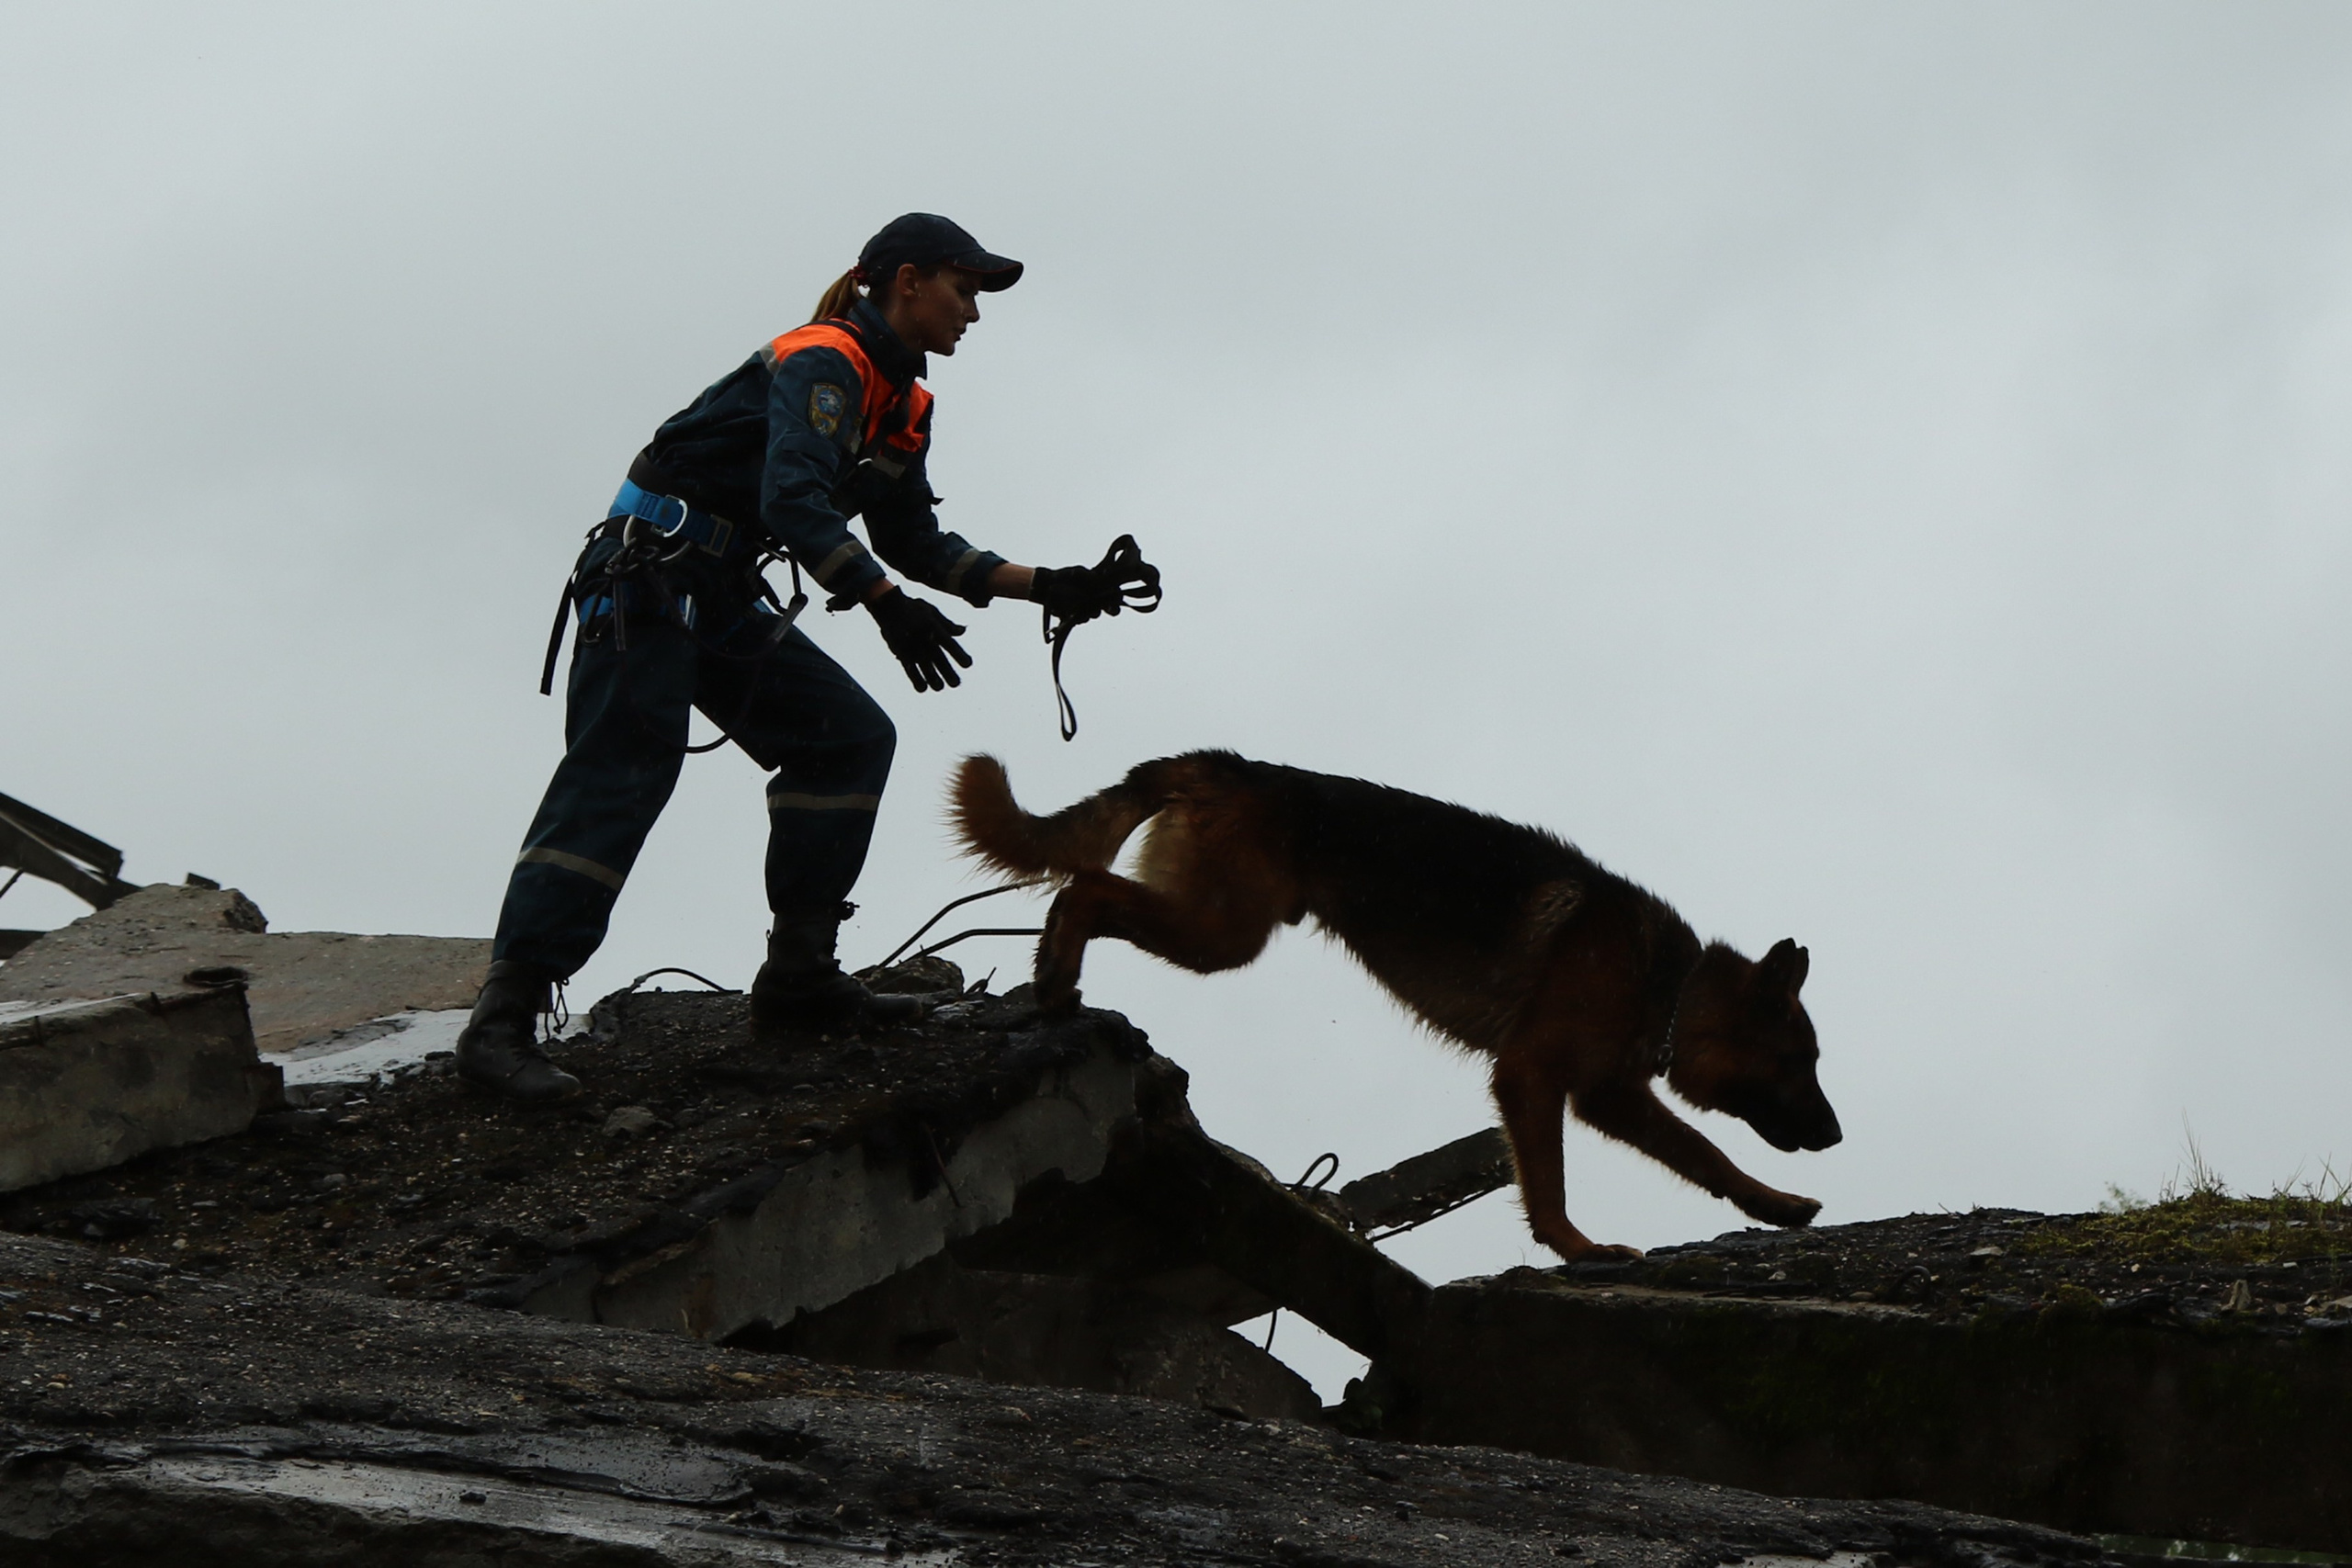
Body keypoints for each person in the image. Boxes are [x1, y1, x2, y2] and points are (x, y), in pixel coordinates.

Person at [455, 214, 1149, 1103]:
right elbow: (792, 500)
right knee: (623, 770)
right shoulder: (824, 360)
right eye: (965, 288)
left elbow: (916, 540)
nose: (973, 311)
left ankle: (799, 980)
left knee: (846, 738)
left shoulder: (902, 403)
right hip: (646, 579)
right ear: (907, 281)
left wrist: (1050, 585)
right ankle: (502, 1020)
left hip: (714, 591)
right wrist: (888, 610)